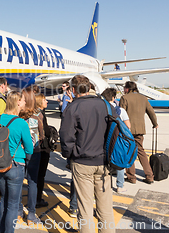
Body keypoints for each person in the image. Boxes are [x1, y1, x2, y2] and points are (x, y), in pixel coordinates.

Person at [60, 75, 115, 233]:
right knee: (105, 210)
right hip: (104, 161)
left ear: (73, 89)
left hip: (82, 162)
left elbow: (66, 136)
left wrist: (69, 154)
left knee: (85, 210)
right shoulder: (105, 105)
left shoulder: (73, 107)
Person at [0, 91, 33, 233]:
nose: (24, 103)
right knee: (13, 203)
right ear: (17, 102)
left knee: (4, 199)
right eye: (23, 100)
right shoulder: (21, 123)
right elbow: (29, 147)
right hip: (15, 165)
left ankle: (2, 229)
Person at [120, 81, 158, 184]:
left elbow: (121, 114)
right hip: (140, 130)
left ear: (127, 89)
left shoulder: (125, 98)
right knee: (141, 151)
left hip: (127, 130)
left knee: (129, 152)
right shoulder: (143, 98)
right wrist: (155, 123)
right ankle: (149, 175)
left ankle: (131, 177)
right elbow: (151, 112)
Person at [18, 88, 43, 225]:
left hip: (20, 152)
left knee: (19, 181)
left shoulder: (18, 115)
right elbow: (42, 133)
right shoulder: (38, 114)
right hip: (35, 151)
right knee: (32, 183)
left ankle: (18, 210)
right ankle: (31, 214)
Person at [101, 88, 131, 193]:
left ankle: (104, 186)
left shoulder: (101, 109)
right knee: (119, 161)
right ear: (113, 98)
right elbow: (128, 125)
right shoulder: (120, 110)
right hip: (116, 140)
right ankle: (120, 185)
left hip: (102, 140)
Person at [35, 93, 50, 208]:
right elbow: (45, 132)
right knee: (40, 176)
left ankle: (35, 197)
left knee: (34, 175)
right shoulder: (41, 115)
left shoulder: (34, 113)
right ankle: (37, 199)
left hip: (36, 147)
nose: (47, 102)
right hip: (42, 148)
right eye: (45, 100)